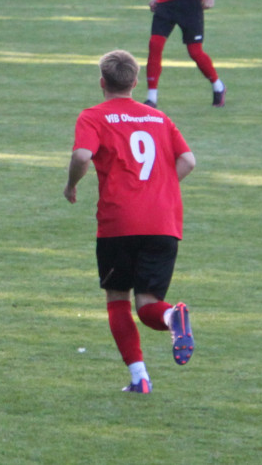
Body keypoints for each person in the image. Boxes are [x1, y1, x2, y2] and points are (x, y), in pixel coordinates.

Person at [63, 49, 196, 394]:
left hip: (119, 221)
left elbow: (81, 155)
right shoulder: (159, 118)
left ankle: (140, 378)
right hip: (164, 221)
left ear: (102, 83)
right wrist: (159, 190)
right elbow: (189, 160)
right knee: (149, 304)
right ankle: (172, 317)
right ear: (135, 82)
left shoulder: (93, 116)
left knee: (117, 297)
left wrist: (72, 184)